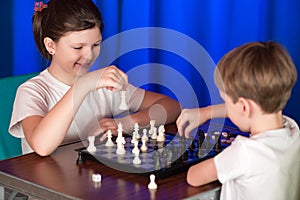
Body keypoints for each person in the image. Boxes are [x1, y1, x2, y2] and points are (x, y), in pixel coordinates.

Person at [9, 0, 180, 156]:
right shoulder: (32, 91)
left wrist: (128, 122)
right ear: (50, 45)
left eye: (96, 45)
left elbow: (172, 107)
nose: (89, 55)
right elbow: (41, 146)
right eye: (78, 47)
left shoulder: (105, 83)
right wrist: (83, 85)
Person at [176, 41, 300, 199]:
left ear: (243, 107)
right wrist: (206, 113)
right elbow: (257, 110)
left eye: (226, 101)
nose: (225, 105)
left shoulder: (245, 152)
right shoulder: (293, 130)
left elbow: (193, 177)